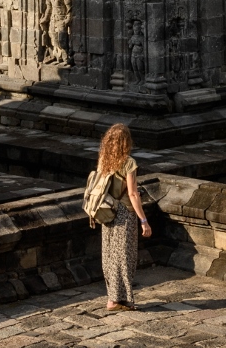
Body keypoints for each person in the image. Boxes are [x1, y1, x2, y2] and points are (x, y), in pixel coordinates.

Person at [97, 122, 151, 311]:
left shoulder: (104, 159)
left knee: (110, 255)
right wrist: (143, 219)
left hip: (107, 212)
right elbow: (133, 194)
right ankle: (119, 299)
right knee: (125, 256)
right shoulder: (128, 162)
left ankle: (113, 298)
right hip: (124, 213)